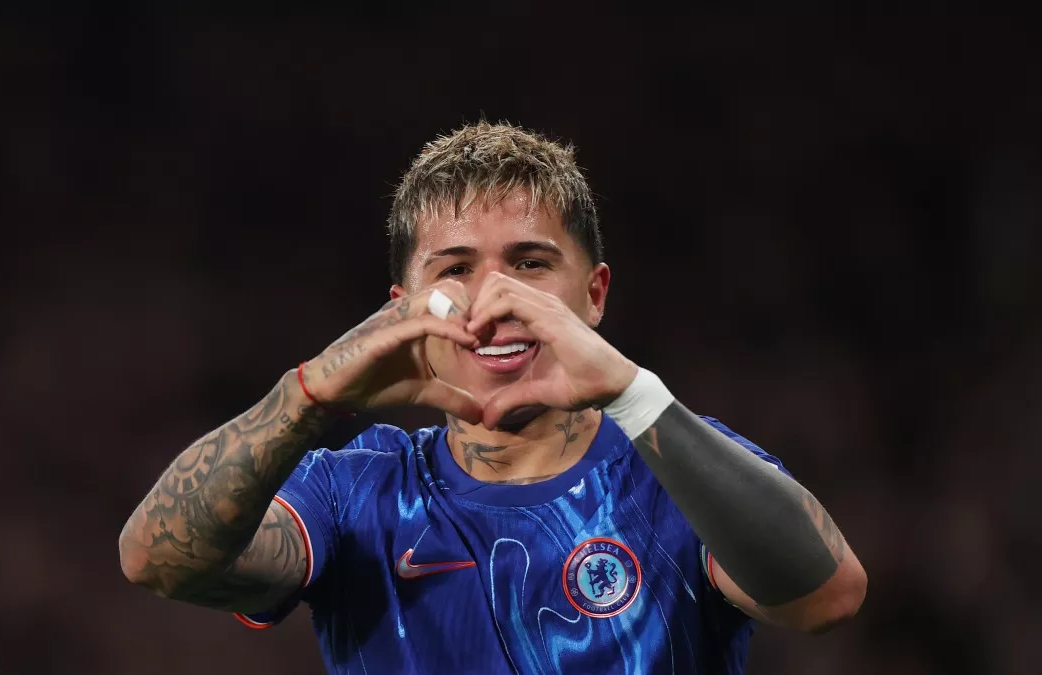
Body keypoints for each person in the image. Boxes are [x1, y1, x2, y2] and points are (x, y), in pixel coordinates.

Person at [118, 121, 867, 674]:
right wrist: (307, 394)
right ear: (400, 307)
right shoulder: (354, 490)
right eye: (455, 270)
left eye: (530, 263)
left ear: (595, 293)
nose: (494, 299)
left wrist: (633, 395)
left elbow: (828, 598)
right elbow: (157, 560)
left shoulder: (678, 469)